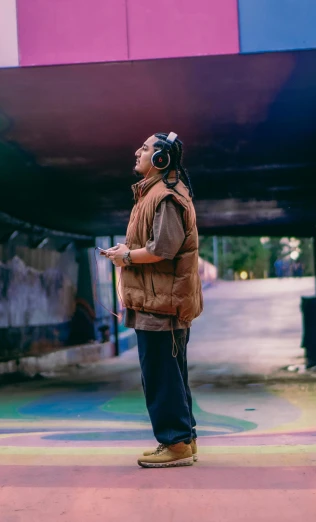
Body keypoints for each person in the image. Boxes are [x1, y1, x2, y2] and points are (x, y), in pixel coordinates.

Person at [103, 132, 203, 468]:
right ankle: (183, 439)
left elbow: (164, 248)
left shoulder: (165, 197)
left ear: (161, 159)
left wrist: (126, 257)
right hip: (159, 301)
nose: (137, 152)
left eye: (144, 149)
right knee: (171, 375)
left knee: (160, 376)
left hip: (161, 304)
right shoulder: (155, 194)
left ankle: (174, 442)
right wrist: (126, 253)